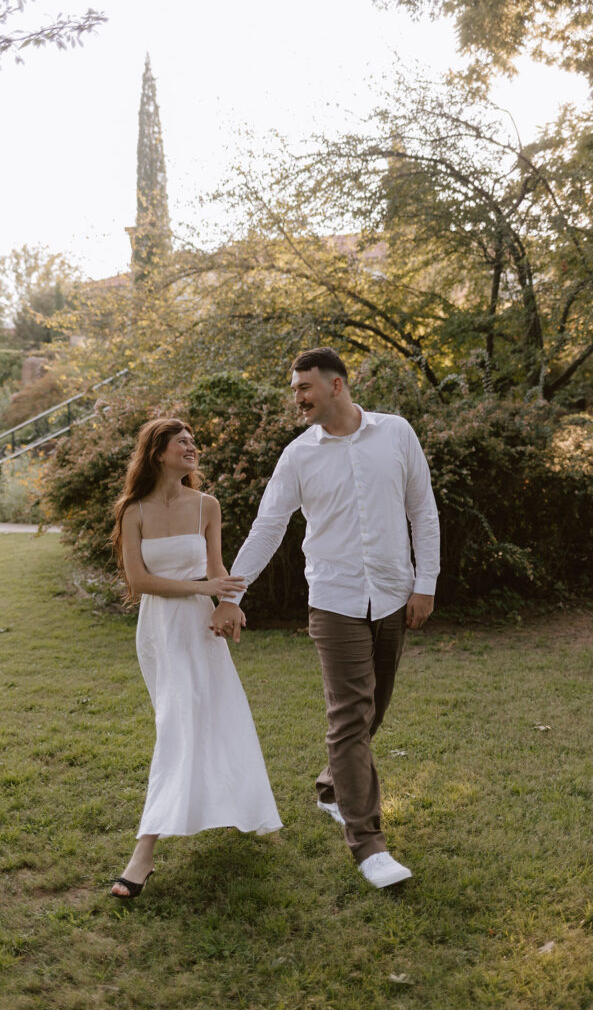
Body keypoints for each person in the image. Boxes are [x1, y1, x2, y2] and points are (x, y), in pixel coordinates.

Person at [211, 348, 439, 889]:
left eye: (304, 387)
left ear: (337, 385)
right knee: (350, 714)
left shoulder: (396, 434)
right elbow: (269, 527)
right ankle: (369, 845)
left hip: (391, 593)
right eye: (294, 388)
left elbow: (422, 511)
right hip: (334, 600)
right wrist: (231, 596)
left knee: (372, 709)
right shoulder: (297, 457)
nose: (297, 398)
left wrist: (424, 584)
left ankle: (335, 787)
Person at [109, 417, 282, 898]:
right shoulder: (133, 511)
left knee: (206, 718)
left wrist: (228, 605)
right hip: (160, 630)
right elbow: (139, 582)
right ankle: (163, 836)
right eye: (181, 442)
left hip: (201, 626)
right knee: (179, 721)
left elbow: (218, 569)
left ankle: (142, 857)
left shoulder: (207, 505)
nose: (191, 447)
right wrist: (203, 588)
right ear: (157, 451)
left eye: (193, 441)